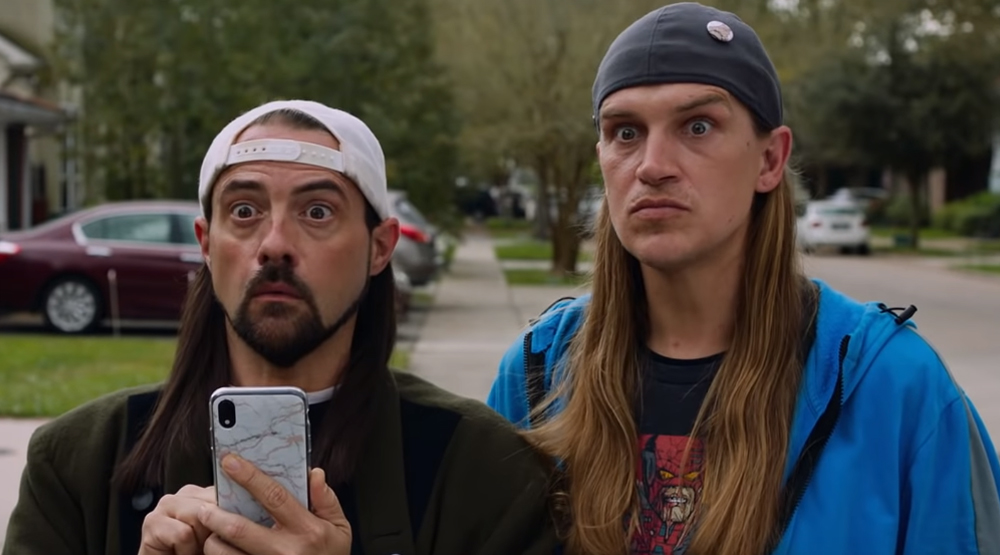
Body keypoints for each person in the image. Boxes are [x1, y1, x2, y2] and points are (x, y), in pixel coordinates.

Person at [487, 3, 1000, 555]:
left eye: (698, 126)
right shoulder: (538, 370)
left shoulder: (895, 385)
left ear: (770, 160)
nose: (651, 165)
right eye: (626, 132)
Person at [4, 100, 559, 555]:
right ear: (206, 243)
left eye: (317, 211)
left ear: (380, 247)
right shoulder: (79, 464)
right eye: (244, 211)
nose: (274, 245)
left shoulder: (480, 468)